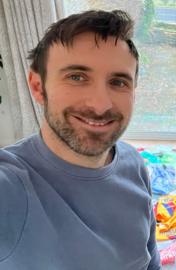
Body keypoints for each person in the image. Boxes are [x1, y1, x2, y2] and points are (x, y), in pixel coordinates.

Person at [0, 10, 160, 270]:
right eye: (76, 77)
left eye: (118, 82)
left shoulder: (135, 163)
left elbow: (150, 259)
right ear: (38, 87)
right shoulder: (11, 187)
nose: (100, 105)